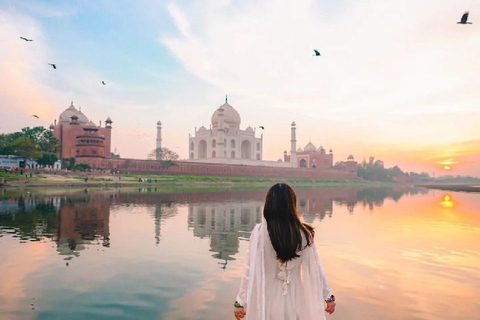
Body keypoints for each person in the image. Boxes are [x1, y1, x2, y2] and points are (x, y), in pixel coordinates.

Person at [233, 183, 336, 320]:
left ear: (268, 204)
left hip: (268, 303)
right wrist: (328, 297)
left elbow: (249, 269)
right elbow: (316, 269)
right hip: (297, 302)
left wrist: (240, 302)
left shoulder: (259, 233)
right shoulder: (304, 234)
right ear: (292, 205)